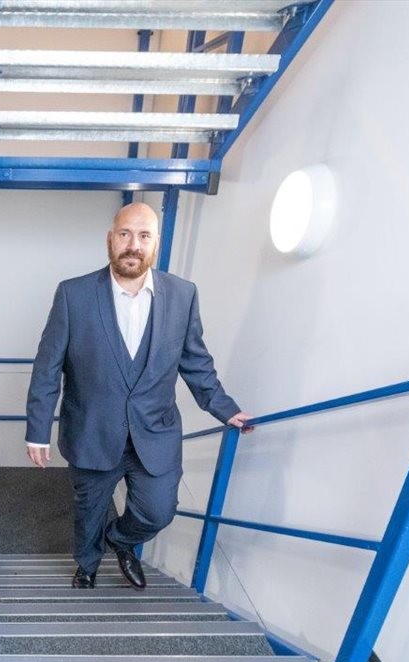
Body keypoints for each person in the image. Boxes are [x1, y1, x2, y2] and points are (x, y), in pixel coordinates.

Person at [24, 202, 252, 590]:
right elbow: (48, 367)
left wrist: (225, 409)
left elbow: (195, 362)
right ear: (110, 240)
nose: (133, 244)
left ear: (156, 245)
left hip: (154, 432)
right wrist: (38, 430)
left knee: (159, 510)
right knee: (88, 510)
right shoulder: (72, 295)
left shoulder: (183, 295)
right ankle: (88, 562)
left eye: (144, 236)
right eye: (125, 234)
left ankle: (120, 540)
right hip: (91, 431)